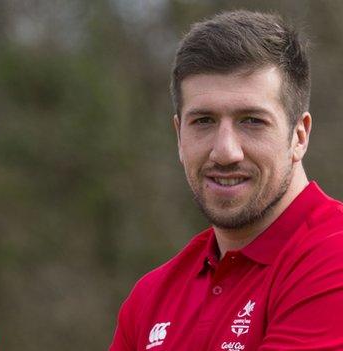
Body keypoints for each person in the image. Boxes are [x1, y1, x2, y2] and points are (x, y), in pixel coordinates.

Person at [109, 10, 343, 351]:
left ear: (299, 135)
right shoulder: (150, 298)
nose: (225, 151)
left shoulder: (333, 257)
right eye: (203, 121)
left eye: (252, 121)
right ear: (179, 136)